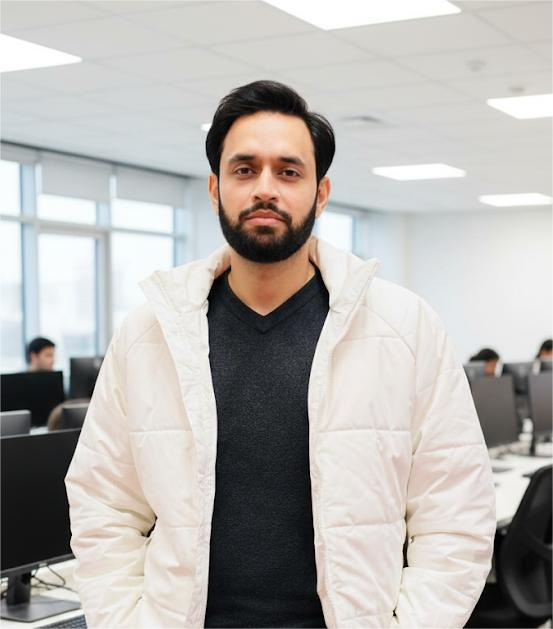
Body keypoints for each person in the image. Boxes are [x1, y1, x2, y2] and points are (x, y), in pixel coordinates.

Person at [66, 80, 495, 629]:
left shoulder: (404, 327)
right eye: (244, 170)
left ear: (321, 193)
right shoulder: (148, 333)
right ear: (215, 188)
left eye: (288, 172)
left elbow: (455, 511)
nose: (265, 189)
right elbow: (103, 505)